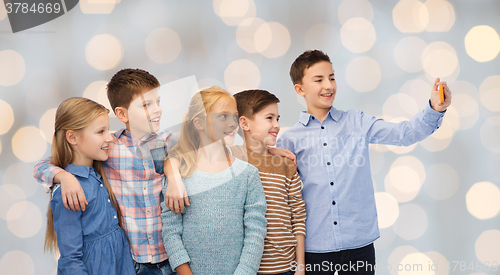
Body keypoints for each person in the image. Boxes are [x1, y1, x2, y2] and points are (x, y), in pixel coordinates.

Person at [276, 50, 452, 274]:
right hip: (315, 248)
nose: (328, 85)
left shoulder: (356, 121)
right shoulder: (289, 140)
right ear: (300, 89)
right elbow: (277, 196)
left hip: (359, 246)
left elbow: (404, 133)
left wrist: (435, 108)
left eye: (331, 77)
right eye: (318, 80)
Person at [35, 69, 178, 274]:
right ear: (122, 114)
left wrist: (173, 178)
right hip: (135, 263)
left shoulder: (165, 141)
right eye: (147, 104)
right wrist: (64, 177)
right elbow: (43, 166)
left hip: (168, 255)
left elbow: (191, 151)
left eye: (158, 102)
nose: (157, 110)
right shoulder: (111, 147)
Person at [161, 86, 267, 275]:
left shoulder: (248, 174)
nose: (233, 123)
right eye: (223, 116)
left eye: (235, 116)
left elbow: (256, 232)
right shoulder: (179, 174)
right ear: (199, 123)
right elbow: (171, 232)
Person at [45, 97, 135, 275]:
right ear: (72, 137)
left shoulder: (101, 171)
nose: (109, 137)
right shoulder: (69, 192)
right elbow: (70, 259)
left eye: (108, 130)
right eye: (101, 131)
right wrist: (65, 178)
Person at [233, 89, 307, 275]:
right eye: (269, 118)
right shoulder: (231, 159)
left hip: (286, 267)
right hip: (247, 268)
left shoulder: (285, 165)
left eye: (278, 118)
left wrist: (300, 267)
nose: (276, 125)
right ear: (244, 123)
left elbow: (297, 215)